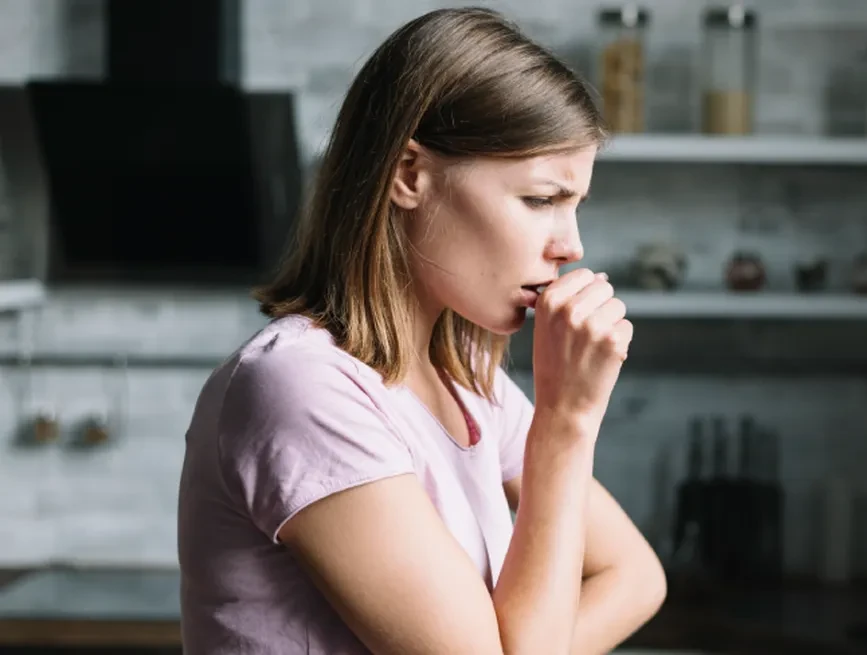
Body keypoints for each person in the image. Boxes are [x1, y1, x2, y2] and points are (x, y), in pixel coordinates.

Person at [175, 8, 666, 654]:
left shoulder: (470, 381)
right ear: (410, 174)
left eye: (575, 206)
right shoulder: (300, 386)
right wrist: (566, 421)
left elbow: (635, 576)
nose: (570, 245)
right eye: (540, 199)